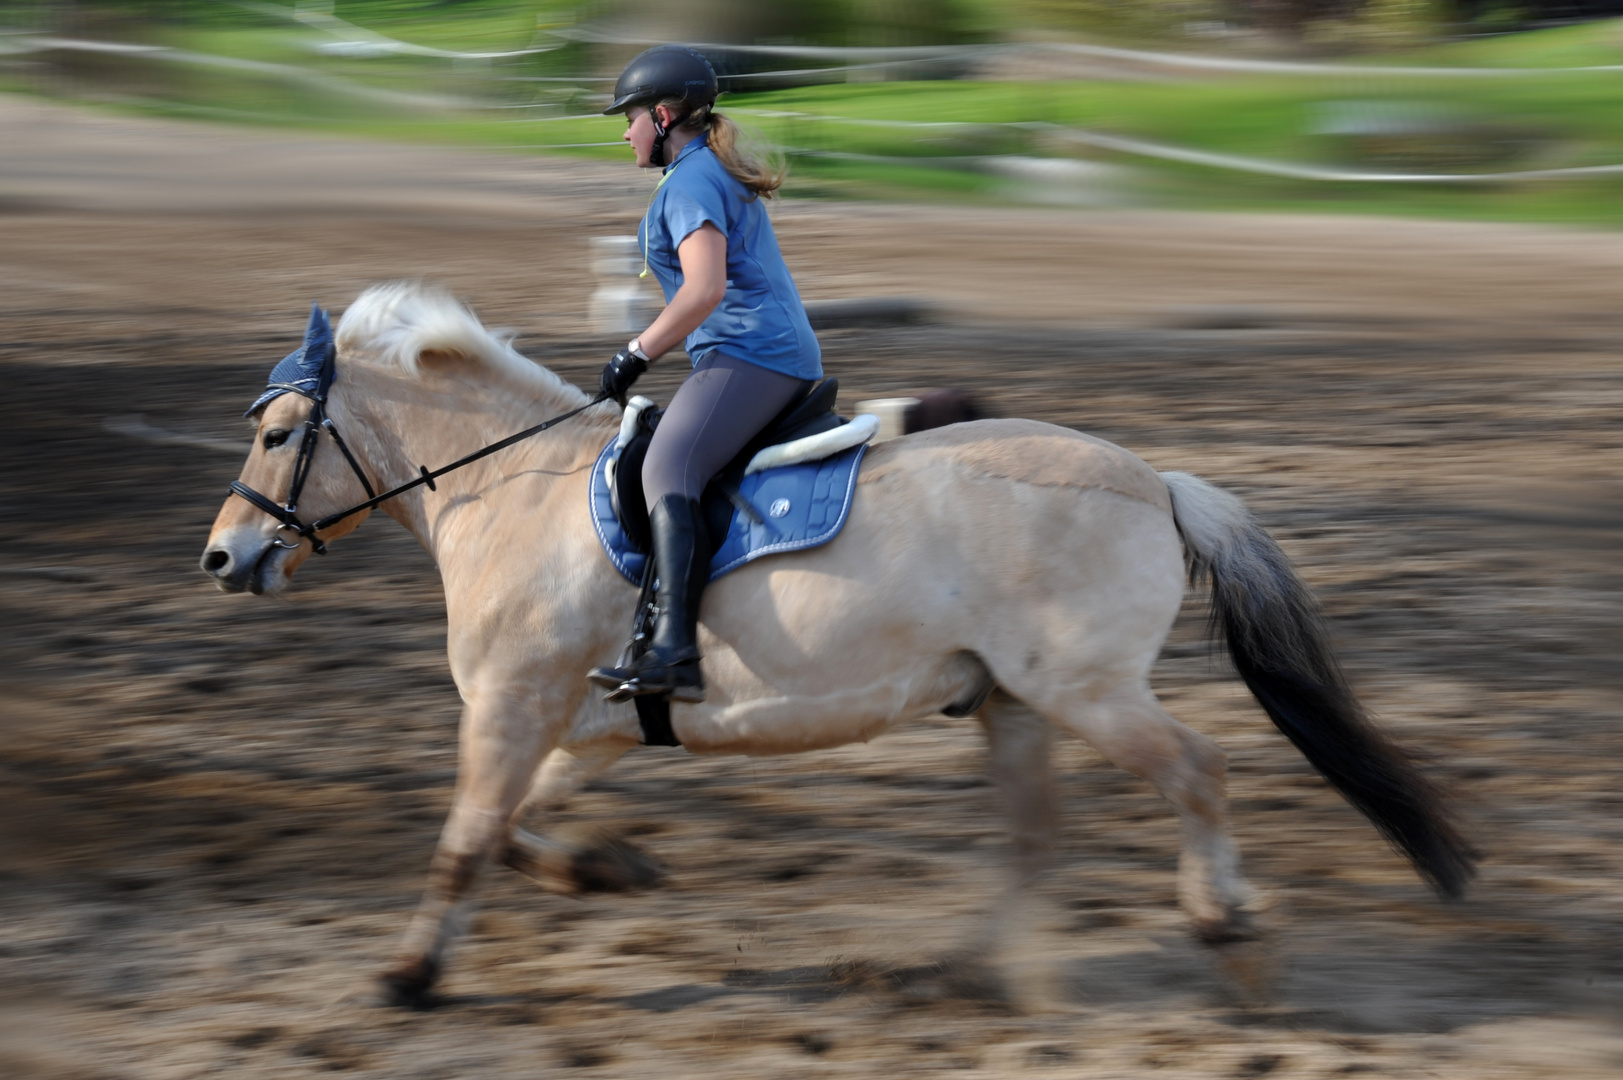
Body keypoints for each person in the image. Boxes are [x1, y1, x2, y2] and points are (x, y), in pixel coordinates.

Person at [586, 45, 823, 704]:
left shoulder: (690, 182)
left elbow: (703, 291)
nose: (624, 131)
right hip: (750, 352)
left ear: (663, 116)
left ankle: (675, 653)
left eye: (630, 117)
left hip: (752, 354)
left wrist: (634, 353)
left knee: (668, 470)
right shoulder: (701, 172)